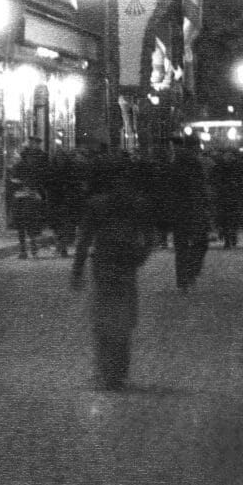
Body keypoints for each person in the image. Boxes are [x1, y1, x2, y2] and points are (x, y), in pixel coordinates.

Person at [70, 160, 156, 391]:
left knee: (103, 318)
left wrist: (77, 270)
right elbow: (150, 238)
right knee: (123, 319)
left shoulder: (97, 204)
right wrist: (139, 257)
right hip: (126, 264)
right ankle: (118, 371)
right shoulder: (137, 203)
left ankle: (106, 371)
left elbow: (84, 240)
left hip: (104, 264)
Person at [167, 136, 211, 291]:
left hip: (179, 209)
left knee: (181, 246)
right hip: (194, 208)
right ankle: (191, 271)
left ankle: (182, 279)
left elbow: (170, 188)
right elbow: (200, 186)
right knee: (200, 242)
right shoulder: (194, 163)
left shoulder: (174, 163)